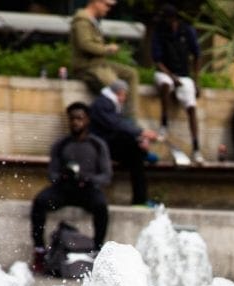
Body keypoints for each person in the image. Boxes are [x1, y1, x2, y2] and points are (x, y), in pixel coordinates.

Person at [30, 102, 112, 273]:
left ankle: (97, 250)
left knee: (101, 206)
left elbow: (106, 175)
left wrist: (88, 179)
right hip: (64, 190)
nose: (76, 122)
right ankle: (39, 250)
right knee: (40, 202)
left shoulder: (97, 145)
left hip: (87, 190)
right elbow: (51, 173)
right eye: (72, 118)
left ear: (87, 120)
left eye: (80, 118)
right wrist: (63, 176)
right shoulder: (61, 145)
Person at [88, 79, 159, 206]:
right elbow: (116, 126)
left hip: (109, 143)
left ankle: (140, 199)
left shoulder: (110, 103)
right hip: (101, 146)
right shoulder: (103, 104)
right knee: (137, 155)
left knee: (136, 155)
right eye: (124, 95)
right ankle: (140, 200)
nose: (125, 98)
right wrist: (142, 133)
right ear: (120, 93)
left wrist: (139, 138)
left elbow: (123, 125)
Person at [69, 0, 140, 118]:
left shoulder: (92, 21)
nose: (108, 9)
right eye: (106, 5)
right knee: (118, 89)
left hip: (100, 64)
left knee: (131, 74)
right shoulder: (82, 21)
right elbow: (85, 45)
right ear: (96, 2)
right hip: (88, 67)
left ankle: (131, 119)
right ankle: (121, 125)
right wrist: (107, 49)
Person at [151, 4, 203, 163]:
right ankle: (164, 123)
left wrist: (196, 81)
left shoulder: (187, 31)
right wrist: (171, 76)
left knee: (192, 107)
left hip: (184, 75)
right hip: (165, 73)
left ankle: (196, 148)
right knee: (165, 84)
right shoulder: (159, 32)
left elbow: (197, 55)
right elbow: (157, 60)